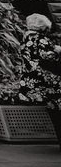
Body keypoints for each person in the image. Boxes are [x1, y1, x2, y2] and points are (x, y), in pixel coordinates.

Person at [18, 13, 61, 151]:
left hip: (34, 81)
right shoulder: (40, 39)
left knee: (54, 111)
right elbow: (48, 58)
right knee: (58, 111)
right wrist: (58, 50)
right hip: (49, 81)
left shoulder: (25, 38)